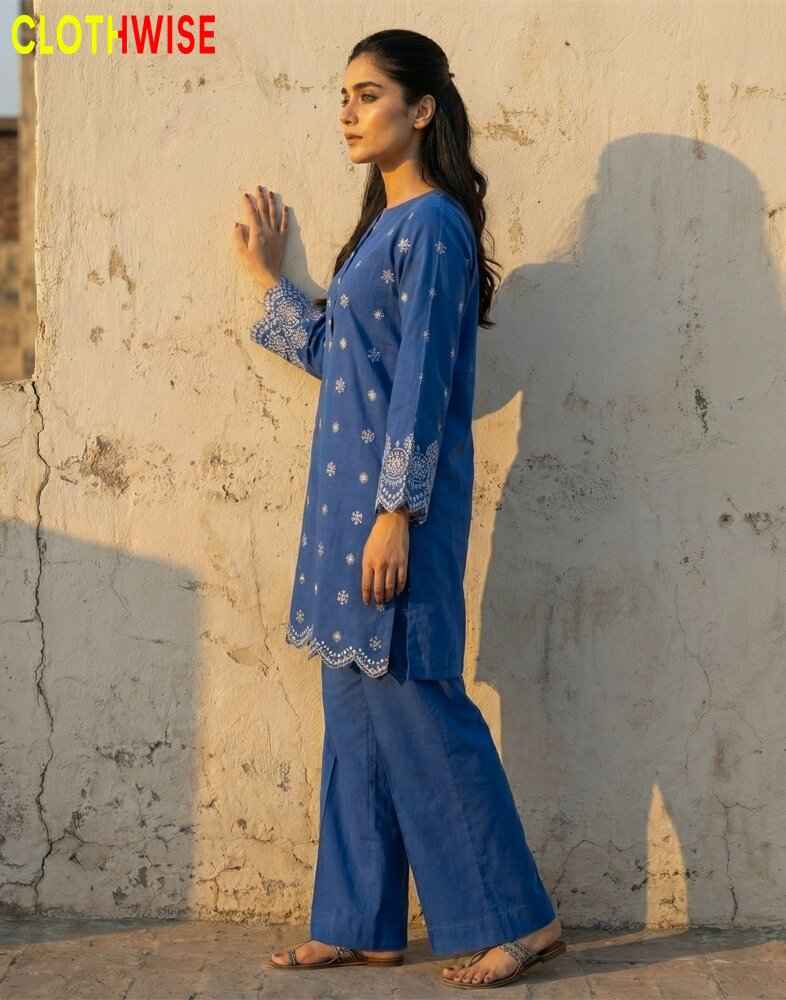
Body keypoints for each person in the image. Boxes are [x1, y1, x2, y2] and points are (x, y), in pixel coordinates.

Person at [233, 27, 566, 991]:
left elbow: (422, 383)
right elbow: (341, 356)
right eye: (342, 96)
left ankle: (521, 919)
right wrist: (267, 281)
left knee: (422, 710)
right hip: (341, 511)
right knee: (355, 720)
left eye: (368, 94)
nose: (348, 112)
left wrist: (396, 513)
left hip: (393, 515)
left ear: (421, 110)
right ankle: (360, 921)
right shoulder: (381, 230)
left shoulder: (435, 229)